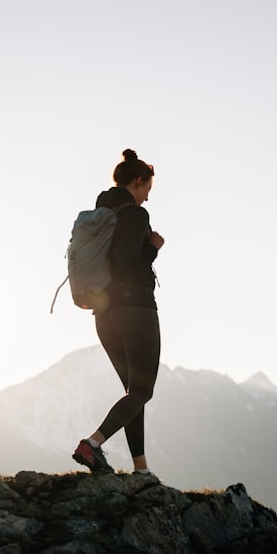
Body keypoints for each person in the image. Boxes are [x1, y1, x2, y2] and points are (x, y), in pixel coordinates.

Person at [73, 149, 164, 475]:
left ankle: (141, 470)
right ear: (138, 182)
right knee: (142, 391)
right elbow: (127, 263)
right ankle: (93, 444)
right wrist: (152, 246)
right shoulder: (135, 216)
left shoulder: (100, 213)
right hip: (135, 310)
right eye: (147, 191)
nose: (146, 199)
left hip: (104, 315)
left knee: (133, 392)